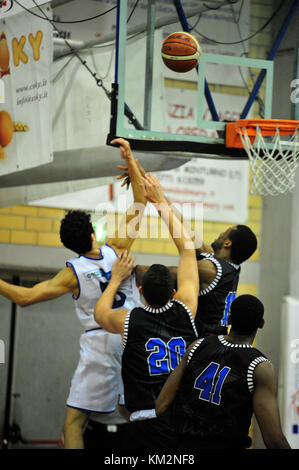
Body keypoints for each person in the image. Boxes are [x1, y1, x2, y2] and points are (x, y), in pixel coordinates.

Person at [0, 138, 146, 449]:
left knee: (74, 422)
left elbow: (24, 298)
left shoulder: (72, 273)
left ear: (69, 245)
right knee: (139, 413)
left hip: (100, 340)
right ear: (93, 233)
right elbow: (141, 202)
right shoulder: (118, 248)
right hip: (134, 336)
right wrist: (130, 161)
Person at [94, 173, 199, 450]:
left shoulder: (130, 319)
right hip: (182, 418)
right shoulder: (185, 308)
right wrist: (160, 201)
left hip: (145, 422)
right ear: (174, 293)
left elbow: (100, 313)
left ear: (139, 292)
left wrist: (116, 278)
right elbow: (188, 252)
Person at [117, 160, 257, 337]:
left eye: (224, 233)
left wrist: (118, 269)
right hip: (211, 342)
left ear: (227, 243)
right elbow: (182, 226)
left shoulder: (211, 270)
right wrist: (147, 183)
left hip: (201, 346)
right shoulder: (224, 267)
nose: (219, 234)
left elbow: (160, 277)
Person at [155, 294, 291, 450]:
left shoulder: (197, 346)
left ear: (229, 319)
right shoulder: (261, 367)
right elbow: (274, 440)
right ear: (261, 324)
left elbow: (161, 407)